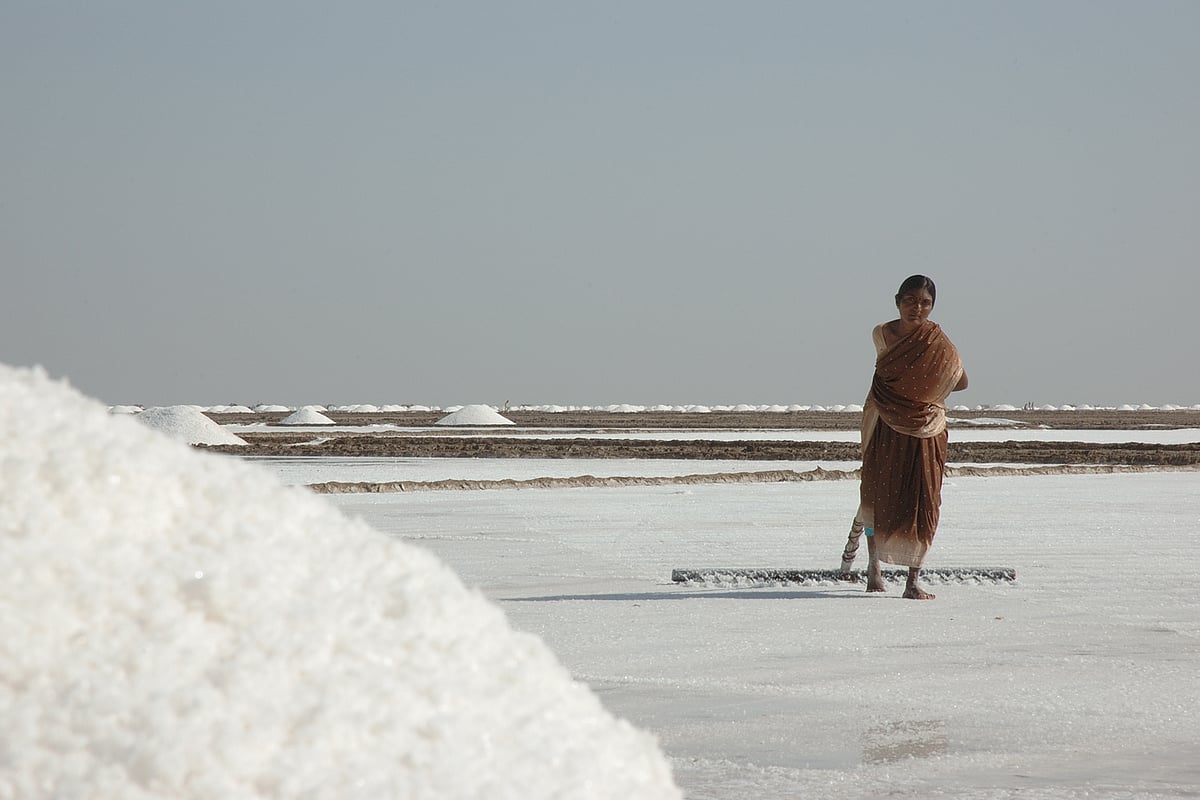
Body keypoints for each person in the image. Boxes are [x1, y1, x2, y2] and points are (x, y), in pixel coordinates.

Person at [838, 275, 968, 599]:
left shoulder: (937, 342)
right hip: (885, 421)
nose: (917, 308)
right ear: (897, 301)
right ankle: (874, 568)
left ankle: (913, 580)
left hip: (926, 428)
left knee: (921, 499)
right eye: (910, 300)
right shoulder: (882, 334)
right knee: (876, 492)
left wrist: (927, 389)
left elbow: (961, 380)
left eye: (925, 302)